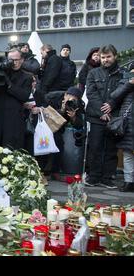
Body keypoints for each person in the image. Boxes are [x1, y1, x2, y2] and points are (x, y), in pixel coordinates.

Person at [85, 45, 123, 189]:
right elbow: (91, 94)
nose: (105, 60)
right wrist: (102, 111)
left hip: (114, 118)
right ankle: (93, 177)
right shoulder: (93, 73)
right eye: (103, 57)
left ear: (115, 57)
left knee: (111, 149)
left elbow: (123, 91)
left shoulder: (121, 74)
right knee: (95, 147)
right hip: (96, 117)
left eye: (108, 57)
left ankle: (107, 178)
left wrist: (112, 105)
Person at [33, 87, 86, 181]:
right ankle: (40, 170)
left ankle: (54, 171)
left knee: (59, 144)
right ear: (65, 95)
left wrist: (73, 117)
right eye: (69, 97)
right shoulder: (52, 97)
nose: (70, 100)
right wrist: (61, 110)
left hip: (58, 129)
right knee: (44, 145)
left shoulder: (77, 105)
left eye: (74, 99)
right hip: (45, 127)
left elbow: (79, 125)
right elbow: (45, 112)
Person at [0, 49, 32, 150]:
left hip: (14, 119)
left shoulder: (27, 77)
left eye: (16, 60)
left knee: (11, 148)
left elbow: (24, 96)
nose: (14, 62)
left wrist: (8, 84)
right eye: (11, 60)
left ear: (22, 60)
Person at [109, 63, 134, 192]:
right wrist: (130, 83)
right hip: (128, 123)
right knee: (128, 153)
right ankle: (128, 182)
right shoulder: (125, 81)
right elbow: (115, 95)